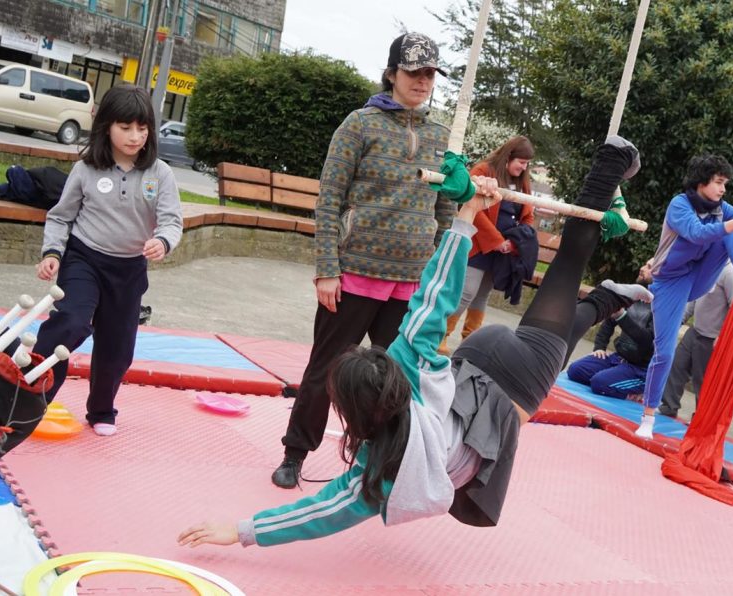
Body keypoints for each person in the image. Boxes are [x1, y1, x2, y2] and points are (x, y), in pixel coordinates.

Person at [177, 137, 641, 548]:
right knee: (558, 314)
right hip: (476, 357)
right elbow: (433, 299)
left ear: (354, 414)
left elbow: (317, 514)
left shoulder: (376, 474)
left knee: (563, 299)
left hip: (508, 385)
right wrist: (464, 219)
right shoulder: (404, 364)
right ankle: (606, 254)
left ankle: (604, 276)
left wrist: (242, 532)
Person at [271, 32, 458, 489]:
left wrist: (439, 259)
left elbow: (446, 204)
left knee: (397, 379)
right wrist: (326, 269)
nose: (422, 81)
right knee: (326, 369)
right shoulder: (359, 124)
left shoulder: (439, 134)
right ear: (392, 73)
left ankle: (385, 463)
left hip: (409, 280)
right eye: (414, 72)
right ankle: (295, 453)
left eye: (430, 73)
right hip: (354, 274)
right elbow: (329, 199)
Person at [32, 84, 182, 437]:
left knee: (117, 349)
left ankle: (101, 409)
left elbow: (172, 220)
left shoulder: (160, 174)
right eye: (125, 128)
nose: (134, 136)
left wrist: (163, 241)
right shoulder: (86, 169)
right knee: (70, 322)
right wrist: (52, 253)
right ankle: (30, 394)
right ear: (106, 127)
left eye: (142, 129)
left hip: (128, 269)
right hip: (84, 259)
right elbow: (60, 216)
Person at [634, 155, 733, 439]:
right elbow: (696, 233)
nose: (723, 189)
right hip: (673, 280)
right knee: (665, 351)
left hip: (702, 275)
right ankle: (648, 418)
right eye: (718, 183)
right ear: (702, 182)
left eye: (725, 183)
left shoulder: (725, 209)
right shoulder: (679, 204)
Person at [438, 136, 538, 355]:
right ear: (508, 157)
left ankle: (470, 342)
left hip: (503, 250)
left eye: (527, 163)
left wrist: (515, 242)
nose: (524, 167)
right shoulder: (483, 170)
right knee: (466, 292)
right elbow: (473, 206)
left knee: (482, 295)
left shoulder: (523, 182)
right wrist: (496, 240)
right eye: (521, 161)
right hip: (477, 244)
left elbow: (528, 214)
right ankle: (441, 336)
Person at [658, 262, 733, 418]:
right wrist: (678, 321)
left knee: (702, 379)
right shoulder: (707, 267)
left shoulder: (729, 273)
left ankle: (701, 417)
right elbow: (694, 299)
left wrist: (723, 335)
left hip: (711, 338)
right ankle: (669, 406)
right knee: (677, 365)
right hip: (695, 331)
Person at [566, 259, 654, 399]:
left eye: (649, 267)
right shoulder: (634, 294)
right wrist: (599, 347)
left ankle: (637, 390)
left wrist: (622, 317)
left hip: (640, 369)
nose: (642, 268)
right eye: (645, 264)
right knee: (575, 370)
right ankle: (613, 378)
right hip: (619, 359)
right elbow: (610, 320)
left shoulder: (661, 307)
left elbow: (647, 341)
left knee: (599, 383)